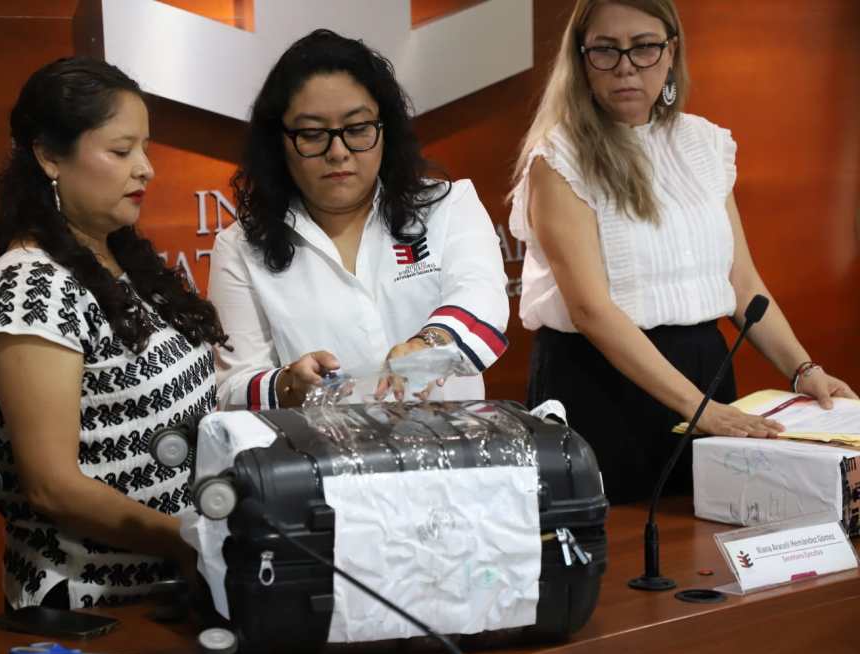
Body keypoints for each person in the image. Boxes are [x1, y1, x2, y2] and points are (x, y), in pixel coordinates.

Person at [508, 0, 856, 503]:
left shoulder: (704, 144)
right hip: (601, 383)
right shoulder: (559, 159)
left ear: (671, 52)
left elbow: (742, 284)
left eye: (644, 47)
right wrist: (697, 408)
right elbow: (591, 310)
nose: (626, 66)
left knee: (711, 531)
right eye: (605, 49)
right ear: (581, 60)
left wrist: (805, 371)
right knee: (623, 542)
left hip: (704, 371)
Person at [0, 57, 226, 610]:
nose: (146, 169)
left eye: (145, 148)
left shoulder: (119, 256)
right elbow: (53, 487)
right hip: (93, 607)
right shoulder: (31, 286)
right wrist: (185, 539)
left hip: (172, 590)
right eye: (121, 150)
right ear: (49, 156)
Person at [210, 29, 509, 409]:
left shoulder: (447, 206)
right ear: (278, 142)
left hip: (450, 441)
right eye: (312, 133)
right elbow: (232, 389)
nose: (338, 152)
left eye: (357, 129)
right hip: (318, 446)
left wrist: (428, 344)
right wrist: (286, 385)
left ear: (385, 130)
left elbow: (482, 300)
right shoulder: (240, 248)